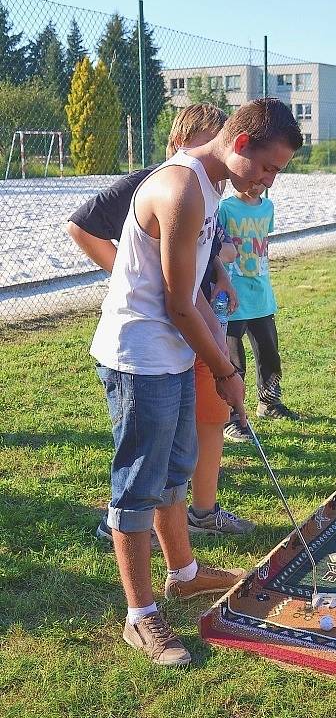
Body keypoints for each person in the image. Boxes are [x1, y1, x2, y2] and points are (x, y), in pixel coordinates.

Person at [89, 98, 302, 666]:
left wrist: (218, 367)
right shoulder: (182, 189)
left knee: (176, 470)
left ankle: (183, 574)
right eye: (267, 166)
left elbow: (200, 297)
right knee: (138, 485)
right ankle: (141, 616)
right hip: (140, 357)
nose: (268, 179)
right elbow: (176, 303)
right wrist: (228, 369)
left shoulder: (212, 187)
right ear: (239, 145)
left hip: (174, 355)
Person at [68, 104, 255, 539]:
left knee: (180, 456)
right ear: (183, 146)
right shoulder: (171, 185)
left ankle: (189, 549)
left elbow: (202, 260)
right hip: (151, 342)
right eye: (207, 143)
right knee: (143, 468)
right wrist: (132, 278)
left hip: (187, 335)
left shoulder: (210, 188)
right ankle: (138, 584)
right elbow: (84, 227)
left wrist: (220, 277)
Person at [219, 182, 300, 443]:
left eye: (262, 182)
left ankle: (269, 403)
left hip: (262, 298)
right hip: (233, 299)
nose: (256, 186)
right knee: (234, 364)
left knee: (269, 354)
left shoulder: (268, 208)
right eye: (250, 180)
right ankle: (231, 417)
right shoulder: (226, 208)